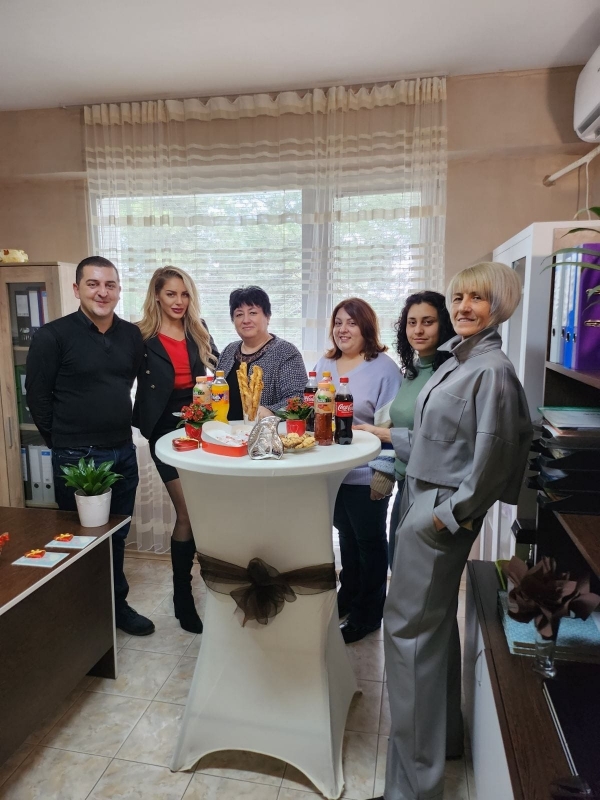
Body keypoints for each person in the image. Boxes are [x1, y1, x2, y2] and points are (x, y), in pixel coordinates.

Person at [369, 262, 533, 800]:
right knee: (431, 630)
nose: (463, 307)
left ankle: (412, 789)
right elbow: (435, 438)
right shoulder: (459, 361)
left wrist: (449, 514)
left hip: (438, 513)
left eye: (477, 298)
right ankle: (446, 745)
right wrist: (380, 438)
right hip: (421, 497)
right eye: (459, 296)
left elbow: (497, 456)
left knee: (407, 637)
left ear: (499, 305)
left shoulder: (492, 371)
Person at [25, 256, 154, 637]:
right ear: (76, 289)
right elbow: (37, 398)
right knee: (82, 540)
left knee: (117, 534)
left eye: (110, 285)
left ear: (118, 290)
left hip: (122, 450)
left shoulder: (131, 336)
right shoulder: (53, 336)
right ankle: (82, 615)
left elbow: (127, 384)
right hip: (77, 456)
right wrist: (63, 444)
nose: (102, 292)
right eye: (93, 284)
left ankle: (116, 605)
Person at [133, 266, 219, 634]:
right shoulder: (140, 336)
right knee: (188, 513)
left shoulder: (199, 330)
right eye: (171, 294)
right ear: (157, 295)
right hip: (164, 431)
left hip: (199, 426)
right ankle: (182, 596)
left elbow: (220, 373)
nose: (179, 301)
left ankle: (209, 586)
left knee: (206, 511)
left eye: (184, 294)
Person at [315, 298, 401, 644]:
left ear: (366, 327)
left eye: (351, 322)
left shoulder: (384, 369)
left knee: (369, 543)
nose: (343, 329)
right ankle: (349, 595)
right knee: (347, 540)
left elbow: (393, 426)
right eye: (338, 322)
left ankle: (368, 614)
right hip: (333, 474)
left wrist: (384, 472)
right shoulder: (326, 363)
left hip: (368, 475)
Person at [356, 291, 454, 568]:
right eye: (412, 323)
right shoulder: (413, 370)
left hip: (432, 489)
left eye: (428, 322)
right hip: (405, 480)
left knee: (417, 572)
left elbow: (443, 441)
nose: (418, 330)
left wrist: (381, 434)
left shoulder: (450, 375)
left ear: (444, 325)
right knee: (397, 565)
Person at [217, 286, 307, 418]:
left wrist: (272, 411)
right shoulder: (228, 351)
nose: (246, 320)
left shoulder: (286, 352)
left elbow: (298, 399)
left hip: (267, 429)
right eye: (239, 314)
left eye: (253, 313)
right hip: (226, 429)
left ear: (267, 317)